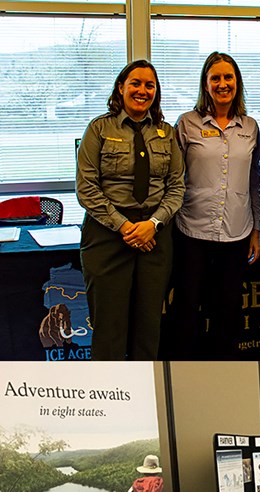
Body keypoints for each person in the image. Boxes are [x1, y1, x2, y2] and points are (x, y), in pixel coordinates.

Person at [76, 60, 185, 360]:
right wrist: (125, 227)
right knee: (109, 330)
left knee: (148, 328)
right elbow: (86, 187)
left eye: (149, 85)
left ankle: (144, 399)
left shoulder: (166, 133)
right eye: (135, 83)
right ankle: (111, 401)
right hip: (107, 236)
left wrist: (153, 224)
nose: (142, 90)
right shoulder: (99, 129)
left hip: (155, 236)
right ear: (121, 87)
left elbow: (177, 187)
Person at [171, 52, 260, 359]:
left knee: (228, 312)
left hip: (236, 233)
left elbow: (254, 182)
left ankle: (222, 377)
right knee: (186, 308)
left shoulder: (250, 126)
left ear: (237, 83)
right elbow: (172, 178)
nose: (223, 84)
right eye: (216, 78)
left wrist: (256, 230)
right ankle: (182, 375)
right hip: (191, 232)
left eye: (228, 78)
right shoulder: (186, 124)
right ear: (205, 84)